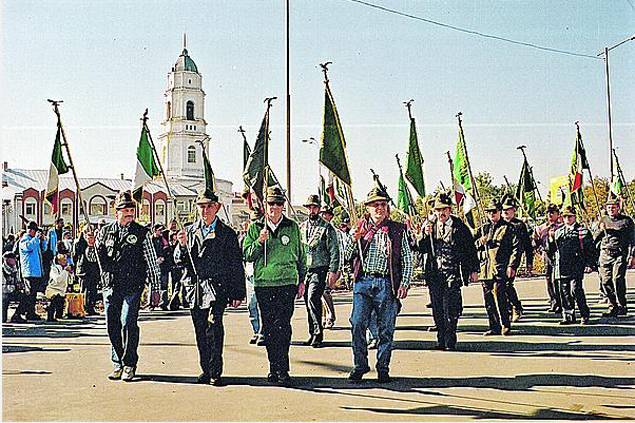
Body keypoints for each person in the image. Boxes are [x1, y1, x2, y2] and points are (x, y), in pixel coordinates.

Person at [87, 190, 161, 382]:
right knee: (112, 325)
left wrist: (156, 288)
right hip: (111, 285)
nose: (129, 213)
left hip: (132, 285)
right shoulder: (105, 231)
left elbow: (152, 262)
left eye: (131, 209)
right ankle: (118, 362)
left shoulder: (141, 232)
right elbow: (94, 259)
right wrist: (91, 245)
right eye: (125, 210)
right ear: (116, 211)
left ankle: (129, 363)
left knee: (128, 322)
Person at [174, 187, 246, 386]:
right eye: (201, 206)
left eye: (209, 206)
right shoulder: (188, 231)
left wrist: (237, 292)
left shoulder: (227, 234)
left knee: (214, 327)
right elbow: (180, 262)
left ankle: (215, 370)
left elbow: (235, 264)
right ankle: (205, 368)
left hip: (217, 288)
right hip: (195, 289)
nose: (205, 210)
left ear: (218, 207)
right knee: (200, 330)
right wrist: (181, 246)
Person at [344, 187, 412, 383]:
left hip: (386, 283)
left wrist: (404, 282)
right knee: (357, 323)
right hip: (363, 282)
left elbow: (407, 258)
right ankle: (360, 364)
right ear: (368, 208)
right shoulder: (359, 228)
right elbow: (347, 256)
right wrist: (353, 239)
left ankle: (383, 367)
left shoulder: (397, 230)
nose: (380, 208)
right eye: (375, 205)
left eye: (383, 204)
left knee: (386, 328)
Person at [242, 186, 306, 386]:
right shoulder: (256, 227)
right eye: (271, 204)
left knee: (283, 326)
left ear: (283, 206)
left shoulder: (292, 227)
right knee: (269, 327)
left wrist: (302, 280)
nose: (275, 208)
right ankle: (273, 367)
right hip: (264, 284)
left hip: (286, 282)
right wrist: (260, 242)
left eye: (279, 204)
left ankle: (283, 368)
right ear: (265, 205)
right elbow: (246, 254)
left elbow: (301, 256)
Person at [416, 193, 479, 351]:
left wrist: (473, 270)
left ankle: (450, 338)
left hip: (453, 272)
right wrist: (424, 234)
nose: (441, 213)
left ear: (450, 209)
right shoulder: (430, 226)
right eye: (438, 210)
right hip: (435, 274)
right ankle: (441, 340)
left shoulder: (459, 227)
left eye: (444, 209)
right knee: (437, 308)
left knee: (452, 308)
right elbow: (419, 247)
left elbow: (470, 249)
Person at [474, 199, 521, 336]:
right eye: (489, 212)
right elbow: (470, 244)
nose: (491, 214)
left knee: (500, 296)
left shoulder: (508, 228)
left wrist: (512, 265)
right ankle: (493, 325)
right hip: (486, 268)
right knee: (488, 299)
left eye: (494, 211)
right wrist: (480, 242)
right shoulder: (484, 228)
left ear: (500, 212)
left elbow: (516, 248)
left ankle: (505, 324)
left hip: (500, 266)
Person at [299, 195, 339, 348]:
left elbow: (334, 251)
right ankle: (312, 333)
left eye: (314, 207)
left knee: (312, 298)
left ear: (319, 208)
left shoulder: (327, 228)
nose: (312, 210)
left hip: (320, 269)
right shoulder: (302, 227)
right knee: (308, 302)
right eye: (309, 207)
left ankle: (318, 333)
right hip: (306, 269)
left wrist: (333, 271)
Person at [547, 206, 595, 325]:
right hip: (562, 266)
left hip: (576, 265)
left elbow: (590, 250)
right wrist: (550, 239)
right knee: (564, 292)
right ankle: (568, 315)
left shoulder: (582, 231)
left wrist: (590, 264)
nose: (567, 219)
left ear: (574, 217)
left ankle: (584, 313)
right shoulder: (558, 232)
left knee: (576, 290)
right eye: (565, 216)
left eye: (570, 216)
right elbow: (551, 250)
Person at [594, 195, 635, 317]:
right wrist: (600, 230)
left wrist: (632, 256)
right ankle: (612, 305)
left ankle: (622, 305)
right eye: (609, 208)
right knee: (605, 281)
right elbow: (595, 239)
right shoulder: (603, 220)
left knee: (617, 279)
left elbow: (633, 240)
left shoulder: (626, 221)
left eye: (613, 207)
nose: (611, 209)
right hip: (605, 253)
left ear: (618, 208)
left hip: (620, 254)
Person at [501, 196, 533, 322]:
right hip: (500, 260)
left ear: (514, 210)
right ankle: (507, 309)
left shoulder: (519, 225)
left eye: (508, 209)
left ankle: (516, 307)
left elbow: (527, 245)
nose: (506, 212)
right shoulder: (499, 224)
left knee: (508, 284)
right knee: (500, 286)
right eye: (504, 209)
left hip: (513, 259)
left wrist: (529, 262)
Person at [533, 204, 564, 313]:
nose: (550, 215)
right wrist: (535, 239)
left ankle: (561, 302)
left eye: (553, 212)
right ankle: (553, 302)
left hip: (559, 254)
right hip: (547, 255)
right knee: (548, 279)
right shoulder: (541, 228)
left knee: (558, 280)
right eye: (548, 212)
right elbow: (536, 244)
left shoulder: (561, 226)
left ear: (557, 214)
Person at [241, 210, 264, 345]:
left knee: (261, 305)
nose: (254, 223)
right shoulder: (244, 237)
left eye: (257, 220)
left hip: (259, 274)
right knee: (251, 304)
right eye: (253, 220)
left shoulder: (263, 235)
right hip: (248, 274)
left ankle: (262, 332)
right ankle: (256, 331)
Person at [17, 221, 48, 321]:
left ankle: (31, 312)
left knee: (33, 295)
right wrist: (36, 239)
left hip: (36, 271)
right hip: (29, 271)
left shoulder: (34, 240)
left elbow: (43, 250)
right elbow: (28, 247)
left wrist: (42, 240)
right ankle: (21, 313)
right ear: (31, 230)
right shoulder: (24, 240)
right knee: (29, 294)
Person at [73, 225, 101, 316]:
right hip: (84, 270)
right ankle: (84, 307)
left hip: (94, 270)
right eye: (89, 235)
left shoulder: (96, 244)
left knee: (93, 290)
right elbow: (76, 256)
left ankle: (91, 307)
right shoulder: (80, 243)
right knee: (85, 290)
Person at [319, 205, 339, 330]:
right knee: (320, 293)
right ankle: (324, 317)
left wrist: (335, 270)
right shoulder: (318, 230)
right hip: (320, 267)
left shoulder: (334, 231)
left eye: (325, 214)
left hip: (332, 267)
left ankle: (330, 316)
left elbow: (338, 252)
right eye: (322, 213)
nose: (323, 216)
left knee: (325, 291)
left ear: (330, 216)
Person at [45, 253, 72, 322]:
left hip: (62, 290)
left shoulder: (66, 269)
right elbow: (57, 280)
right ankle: (50, 316)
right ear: (59, 261)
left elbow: (70, 281)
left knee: (61, 300)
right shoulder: (54, 269)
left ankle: (59, 314)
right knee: (55, 298)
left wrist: (70, 273)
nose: (66, 261)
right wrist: (65, 271)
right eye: (64, 260)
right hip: (53, 289)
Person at [151, 224, 171, 310]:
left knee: (164, 284)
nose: (161, 232)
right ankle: (152, 303)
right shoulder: (150, 240)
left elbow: (167, 251)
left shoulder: (164, 240)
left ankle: (163, 303)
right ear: (154, 230)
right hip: (153, 265)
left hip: (163, 265)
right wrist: (155, 259)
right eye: (159, 230)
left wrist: (163, 257)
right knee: (153, 285)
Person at [2, 252, 22, 323]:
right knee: (3, 319)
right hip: (4, 293)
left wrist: (20, 286)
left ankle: (17, 315)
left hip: (12, 291)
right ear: (7, 259)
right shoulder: (2, 270)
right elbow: (3, 285)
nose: (15, 260)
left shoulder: (15, 269)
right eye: (13, 258)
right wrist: (13, 287)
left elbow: (18, 280)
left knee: (26, 297)